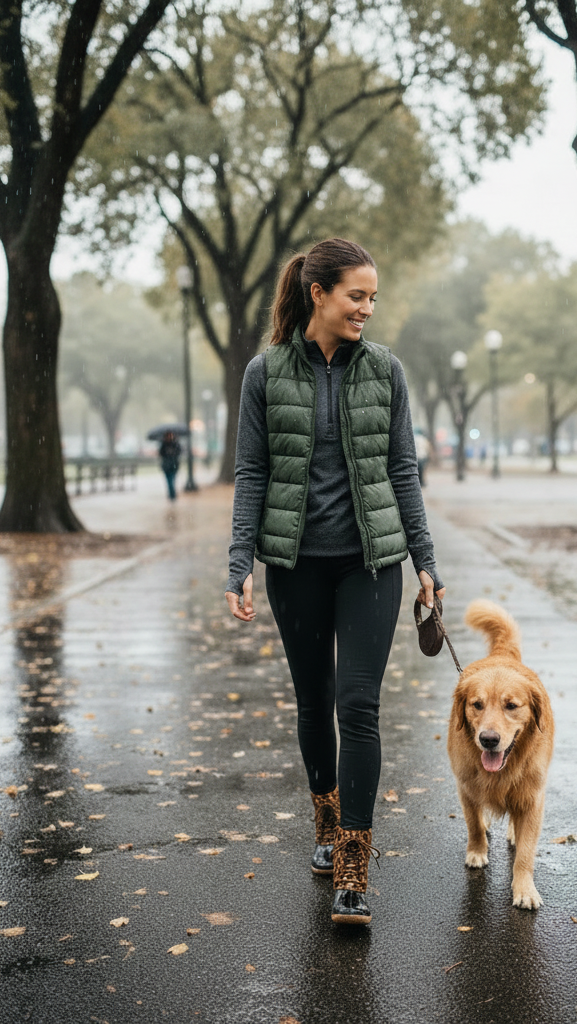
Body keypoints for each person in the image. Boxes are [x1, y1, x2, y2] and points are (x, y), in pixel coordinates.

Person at [226, 237, 445, 926]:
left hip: (368, 564)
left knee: (358, 707)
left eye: (372, 298)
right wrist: (239, 563)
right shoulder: (265, 374)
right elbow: (252, 473)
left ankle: (353, 865)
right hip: (295, 566)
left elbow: (403, 470)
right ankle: (324, 822)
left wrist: (426, 561)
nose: (367, 310)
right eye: (357, 296)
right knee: (314, 703)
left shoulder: (385, 371)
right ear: (318, 293)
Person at [158, 431, 182, 500]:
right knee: (168, 481)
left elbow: (179, 452)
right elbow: (161, 453)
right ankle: (171, 494)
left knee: (172, 480)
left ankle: (172, 494)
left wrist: (172, 452)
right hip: (166, 466)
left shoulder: (175, 444)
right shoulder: (163, 444)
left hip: (173, 465)